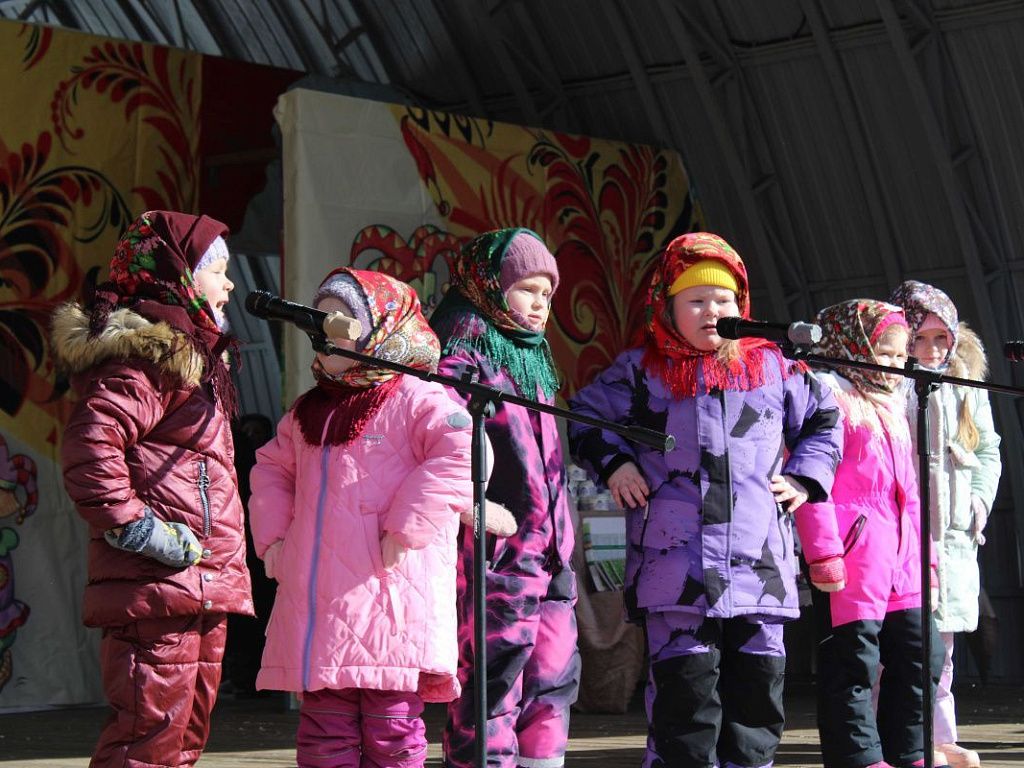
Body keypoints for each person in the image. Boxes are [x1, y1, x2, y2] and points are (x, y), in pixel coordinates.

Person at [568, 231, 843, 768]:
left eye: (723, 299)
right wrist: (616, 463)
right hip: (675, 572)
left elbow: (825, 421)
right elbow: (583, 417)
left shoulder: (774, 366)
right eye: (696, 300)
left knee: (757, 696)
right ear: (668, 307)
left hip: (758, 568)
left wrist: (805, 479)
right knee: (686, 700)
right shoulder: (641, 370)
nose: (712, 311)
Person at [248, 268, 476, 768]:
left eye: (340, 322)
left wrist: (408, 526)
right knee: (323, 734)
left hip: (392, 597)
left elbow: (465, 451)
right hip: (320, 607)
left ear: (383, 331)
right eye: (319, 321)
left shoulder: (417, 398)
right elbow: (271, 469)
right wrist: (274, 539)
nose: (324, 333)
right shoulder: (307, 411)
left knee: (392, 731)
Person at [52, 210, 252, 767]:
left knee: (182, 736)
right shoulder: (147, 361)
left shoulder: (195, 362)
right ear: (179, 277)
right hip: (157, 580)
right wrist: (137, 528)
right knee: (147, 736)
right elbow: (91, 445)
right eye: (219, 271)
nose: (230, 286)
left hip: (200, 580)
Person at [431, 228, 580, 768]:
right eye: (527, 290)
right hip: (497, 552)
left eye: (547, 294)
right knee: (493, 681)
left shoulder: (532, 355)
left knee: (554, 676)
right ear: (489, 285)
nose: (540, 304)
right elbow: (442, 441)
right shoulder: (458, 352)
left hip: (552, 548)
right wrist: (474, 510)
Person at [795, 299, 943, 768]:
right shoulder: (829, 399)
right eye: (886, 354)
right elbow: (812, 480)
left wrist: (927, 559)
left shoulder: (893, 405)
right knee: (852, 663)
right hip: (854, 555)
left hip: (903, 559)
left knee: (922, 654)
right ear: (853, 346)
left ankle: (909, 750)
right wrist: (823, 552)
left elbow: (910, 494)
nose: (896, 366)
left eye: (901, 356)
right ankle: (857, 757)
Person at [890, 280, 1001, 768]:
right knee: (900, 646)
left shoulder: (965, 386)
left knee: (944, 650)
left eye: (942, 338)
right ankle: (900, 738)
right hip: (902, 536)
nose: (932, 349)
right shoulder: (890, 383)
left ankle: (941, 736)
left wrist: (977, 503)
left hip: (953, 538)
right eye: (920, 338)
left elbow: (987, 450)